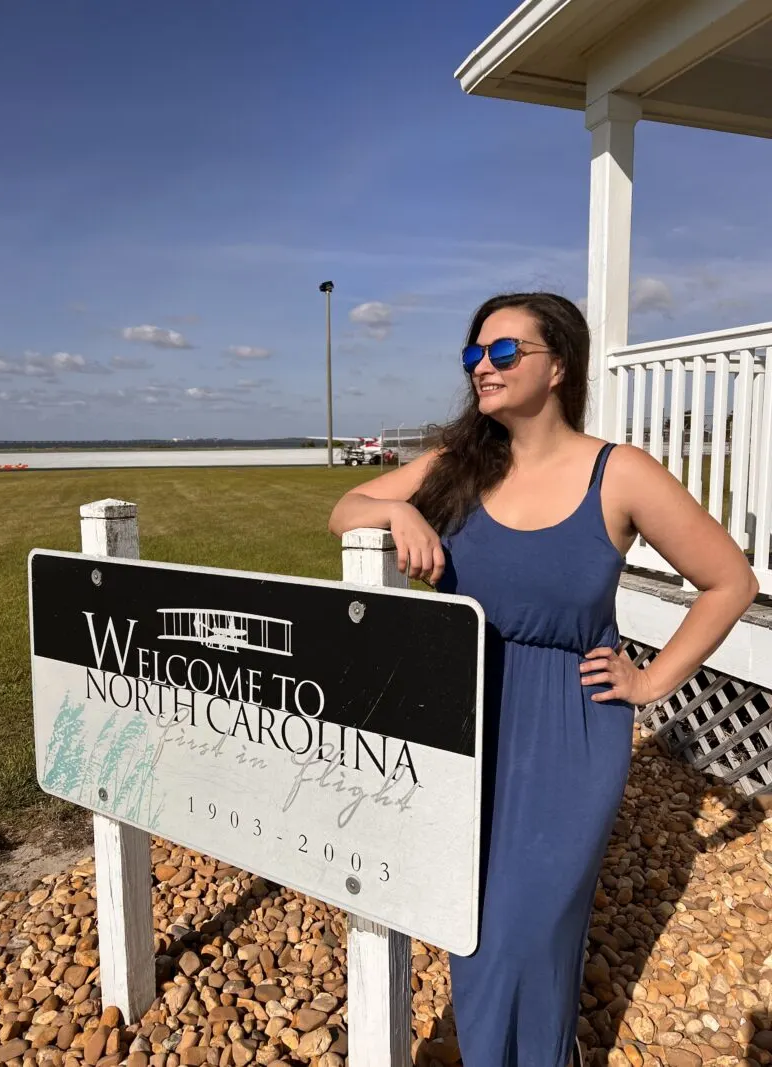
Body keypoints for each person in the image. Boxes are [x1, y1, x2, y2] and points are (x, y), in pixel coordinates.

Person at [328, 291, 759, 1067]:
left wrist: (653, 679)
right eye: (473, 355)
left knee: (529, 926)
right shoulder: (458, 467)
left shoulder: (617, 472)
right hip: (460, 716)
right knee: (472, 923)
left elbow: (728, 578)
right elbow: (345, 508)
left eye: (504, 353)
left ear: (557, 364)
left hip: (568, 726)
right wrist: (398, 515)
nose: (482, 368)